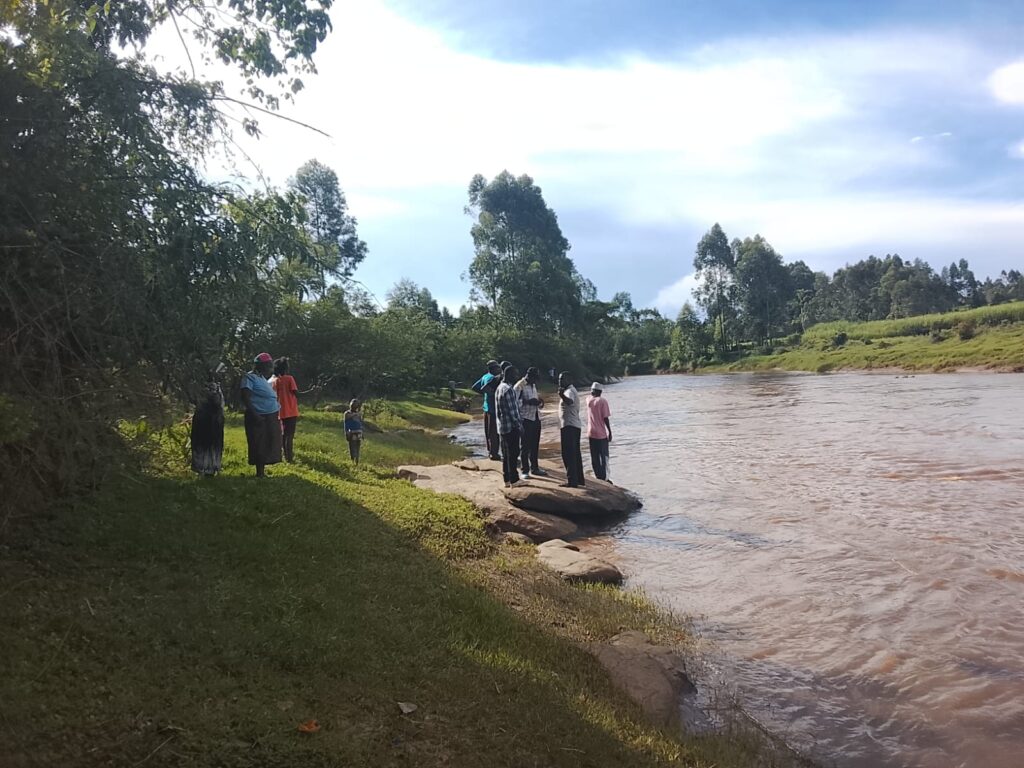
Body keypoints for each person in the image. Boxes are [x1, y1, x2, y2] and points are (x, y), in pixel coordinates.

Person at [240, 352, 282, 478]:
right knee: (259, 442)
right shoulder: (249, 377)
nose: (270, 368)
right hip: (259, 416)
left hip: (270, 415)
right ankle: (260, 472)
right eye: (268, 365)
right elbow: (245, 397)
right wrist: (255, 414)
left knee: (270, 441)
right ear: (260, 366)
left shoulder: (262, 378)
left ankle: (263, 470)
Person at [190, 367, 224, 476]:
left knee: (209, 444)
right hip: (207, 419)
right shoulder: (208, 388)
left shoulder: (211, 387)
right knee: (206, 443)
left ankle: (207, 468)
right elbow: (215, 403)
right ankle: (206, 468)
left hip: (210, 419)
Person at [495, 364, 524, 487]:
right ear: (510, 375)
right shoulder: (509, 389)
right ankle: (514, 479)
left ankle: (507, 479)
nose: (517, 377)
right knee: (513, 453)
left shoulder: (499, 387)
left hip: (502, 426)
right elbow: (513, 412)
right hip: (511, 427)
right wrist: (519, 426)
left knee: (506, 454)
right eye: (515, 374)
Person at [515, 366, 546, 479]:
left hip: (535, 417)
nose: (536, 381)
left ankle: (535, 468)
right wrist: (528, 402)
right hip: (525, 419)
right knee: (525, 446)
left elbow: (535, 399)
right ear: (529, 376)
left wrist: (539, 401)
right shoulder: (519, 386)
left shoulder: (533, 385)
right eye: (535, 378)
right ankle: (525, 470)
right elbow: (515, 403)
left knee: (535, 445)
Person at [557, 371, 585, 488]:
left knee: (568, 454)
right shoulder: (570, 390)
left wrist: (561, 395)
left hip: (570, 426)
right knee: (575, 454)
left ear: (569, 379)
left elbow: (569, 401)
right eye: (559, 379)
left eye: (563, 379)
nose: (560, 381)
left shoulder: (569, 391)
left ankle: (572, 481)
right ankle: (579, 479)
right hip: (573, 426)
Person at [471, 360, 502, 461]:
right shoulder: (492, 378)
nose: (499, 369)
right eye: (497, 368)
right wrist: (491, 393)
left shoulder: (484, 376)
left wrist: (484, 394)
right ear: (493, 369)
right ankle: (494, 453)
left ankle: (490, 451)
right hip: (493, 408)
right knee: (494, 432)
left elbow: (475, 387)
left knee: (488, 431)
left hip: (486, 407)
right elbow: (485, 388)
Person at [270, 357, 299, 463]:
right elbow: (297, 394)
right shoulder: (289, 378)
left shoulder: (275, 380)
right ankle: (290, 458)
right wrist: (311, 391)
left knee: (283, 435)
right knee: (290, 436)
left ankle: (283, 455)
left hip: (280, 411)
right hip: (291, 411)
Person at [586, 382, 612, 482]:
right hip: (601, 434)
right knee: (604, 456)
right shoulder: (602, 401)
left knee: (594, 456)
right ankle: (605, 478)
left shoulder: (588, 400)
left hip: (591, 432)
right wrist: (609, 432)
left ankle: (598, 476)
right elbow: (605, 418)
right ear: (600, 391)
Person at [344, 399, 363, 465]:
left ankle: (356, 462)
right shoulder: (347, 413)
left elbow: (360, 423)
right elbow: (346, 423)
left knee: (357, 448)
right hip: (351, 432)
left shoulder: (359, 414)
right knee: (352, 448)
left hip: (358, 432)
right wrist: (346, 432)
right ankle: (353, 461)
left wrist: (362, 433)